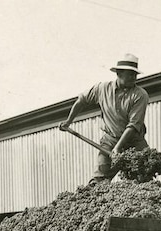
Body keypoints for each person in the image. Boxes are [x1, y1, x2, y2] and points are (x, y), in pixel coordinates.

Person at [59, 53, 150, 184]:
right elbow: (81, 101)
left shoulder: (140, 95)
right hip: (110, 139)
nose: (133, 78)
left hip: (134, 142)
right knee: (99, 181)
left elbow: (133, 125)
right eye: (130, 74)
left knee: (144, 178)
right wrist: (68, 121)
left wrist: (118, 148)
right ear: (119, 73)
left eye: (135, 74)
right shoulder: (102, 89)